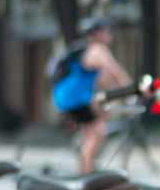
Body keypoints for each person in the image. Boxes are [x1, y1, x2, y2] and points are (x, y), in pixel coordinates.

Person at [50, 16, 132, 174]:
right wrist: (133, 90)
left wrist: (118, 92)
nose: (110, 34)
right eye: (107, 30)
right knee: (97, 131)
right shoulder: (98, 50)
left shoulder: (86, 51)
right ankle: (86, 173)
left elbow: (104, 80)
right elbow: (116, 73)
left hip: (67, 97)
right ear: (97, 34)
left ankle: (85, 153)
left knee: (102, 112)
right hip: (74, 99)